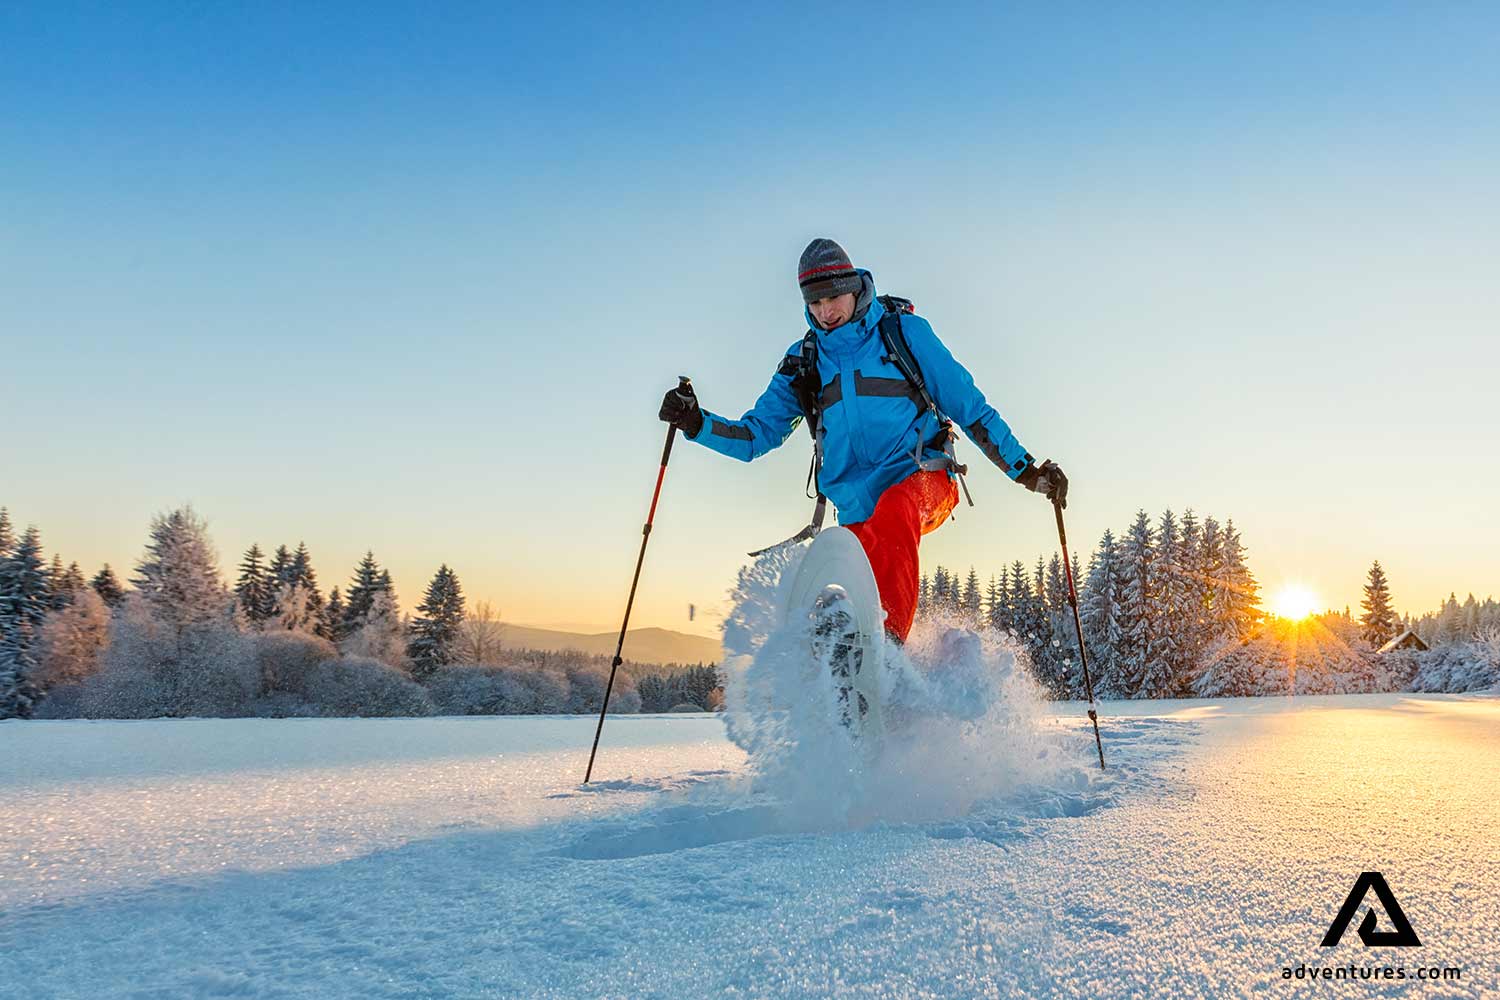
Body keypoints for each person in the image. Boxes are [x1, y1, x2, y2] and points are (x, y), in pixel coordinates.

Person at [659, 238, 1066, 644]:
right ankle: (843, 676)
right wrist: (696, 423)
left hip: (924, 480)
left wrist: (1026, 471)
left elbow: (970, 407)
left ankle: (884, 651)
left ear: (854, 287)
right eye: (815, 303)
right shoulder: (804, 361)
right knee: (843, 573)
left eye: (833, 297)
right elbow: (755, 436)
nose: (826, 311)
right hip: (856, 511)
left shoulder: (902, 333)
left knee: (896, 508)